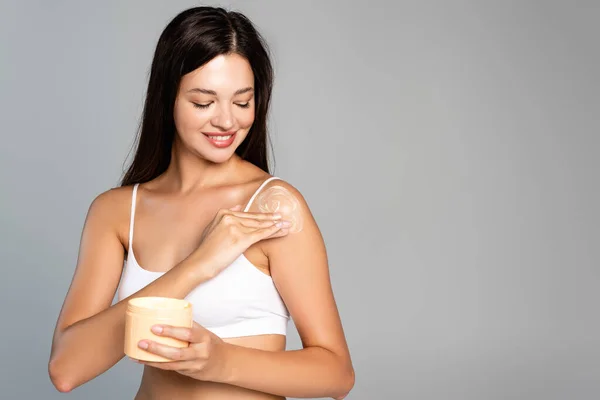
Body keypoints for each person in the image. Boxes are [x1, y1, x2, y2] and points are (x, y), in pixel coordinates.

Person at [48, 6, 354, 400]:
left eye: (242, 102)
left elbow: (337, 374)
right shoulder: (116, 212)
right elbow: (66, 369)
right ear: (167, 97)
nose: (227, 122)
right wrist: (199, 264)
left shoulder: (272, 209)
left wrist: (221, 361)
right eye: (203, 102)